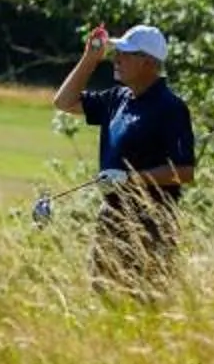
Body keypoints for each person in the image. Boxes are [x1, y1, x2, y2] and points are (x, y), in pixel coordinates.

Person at [51, 22, 197, 291]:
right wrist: (89, 59)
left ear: (148, 62)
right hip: (112, 214)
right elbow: (63, 102)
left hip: (153, 222)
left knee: (144, 300)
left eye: (126, 54)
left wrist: (130, 179)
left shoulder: (171, 108)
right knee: (103, 294)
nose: (117, 59)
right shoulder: (117, 98)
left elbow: (184, 172)